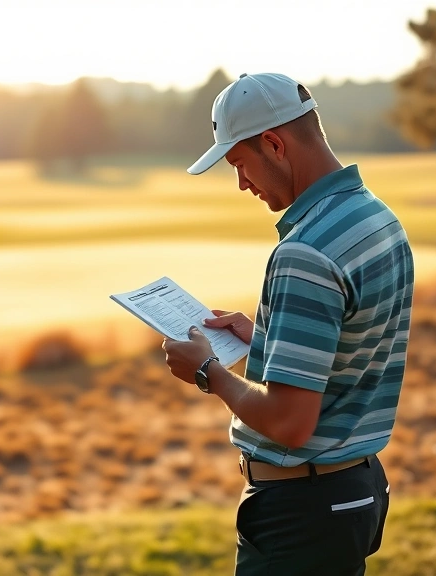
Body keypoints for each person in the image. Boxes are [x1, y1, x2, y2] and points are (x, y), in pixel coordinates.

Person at [161, 72, 414, 575]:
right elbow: (349, 355)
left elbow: (289, 423)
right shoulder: (376, 218)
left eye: (239, 164)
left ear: (274, 144)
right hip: (351, 493)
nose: (241, 184)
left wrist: (208, 372)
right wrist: (264, 341)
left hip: (302, 513)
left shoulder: (303, 252)